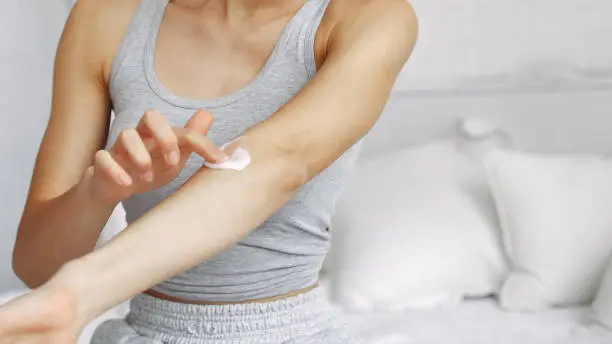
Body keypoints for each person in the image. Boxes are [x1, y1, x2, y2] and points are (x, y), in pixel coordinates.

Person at [0, 0, 417, 342]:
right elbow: (36, 268)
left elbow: (278, 162)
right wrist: (98, 193)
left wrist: (78, 294)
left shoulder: (367, 18)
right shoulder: (105, 16)